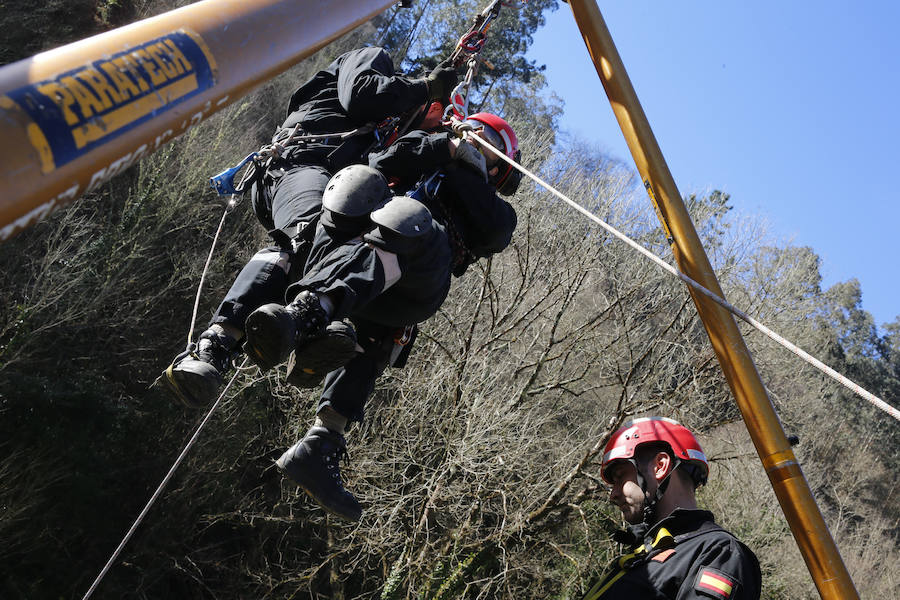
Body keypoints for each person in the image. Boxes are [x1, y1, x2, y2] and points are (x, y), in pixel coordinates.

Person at [242, 113, 521, 521]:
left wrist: (467, 168)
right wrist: (441, 146)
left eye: (487, 141)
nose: (475, 141)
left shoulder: (496, 211)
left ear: (498, 167)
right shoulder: (427, 151)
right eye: (472, 134)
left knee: (407, 222)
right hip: (352, 259)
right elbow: (381, 163)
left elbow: (495, 231)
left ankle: (310, 317)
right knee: (356, 188)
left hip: (416, 281)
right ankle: (317, 439)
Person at [163, 46, 458, 407]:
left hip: (326, 183)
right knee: (308, 233)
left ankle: (307, 325)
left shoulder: (387, 135)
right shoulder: (370, 58)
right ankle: (213, 344)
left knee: (345, 253)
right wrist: (426, 88)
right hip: (298, 162)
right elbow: (364, 94)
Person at [581, 417, 761, 599]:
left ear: (660, 466)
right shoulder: (640, 558)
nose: (613, 495)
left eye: (620, 477)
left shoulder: (718, 553)